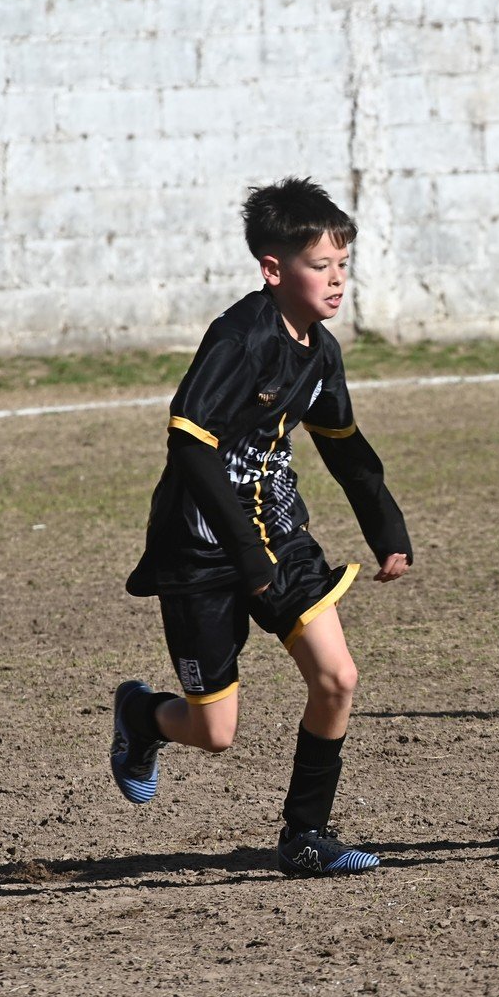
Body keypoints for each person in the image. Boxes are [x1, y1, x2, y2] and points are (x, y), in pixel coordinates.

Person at [111, 177, 412, 875]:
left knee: (337, 676)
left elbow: (342, 442)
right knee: (214, 731)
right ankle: (141, 717)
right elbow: (188, 441)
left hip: (279, 535)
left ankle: (305, 834)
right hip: (200, 549)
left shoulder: (320, 349)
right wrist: (244, 554)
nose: (336, 280)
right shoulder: (239, 338)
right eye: (319, 265)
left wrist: (385, 524)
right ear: (273, 269)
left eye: (343, 264)